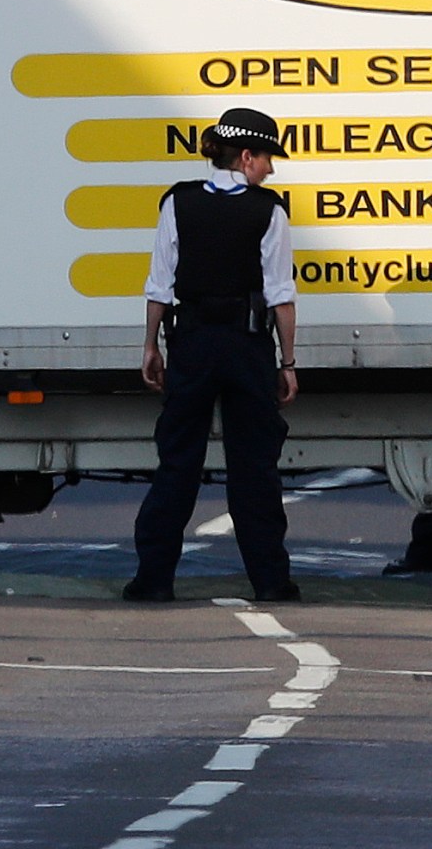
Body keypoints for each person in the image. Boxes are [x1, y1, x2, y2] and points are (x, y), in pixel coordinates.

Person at [125, 107, 300, 604]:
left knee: (177, 464)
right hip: (247, 347)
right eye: (267, 157)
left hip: (192, 344)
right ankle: (270, 581)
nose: (270, 168)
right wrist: (287, 363)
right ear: (246, 156)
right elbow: (280, 296)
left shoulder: (176, 203)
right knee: (255, 471)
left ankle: (153, 580)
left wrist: (151, 345)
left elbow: (160, 284)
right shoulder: (270, 210)